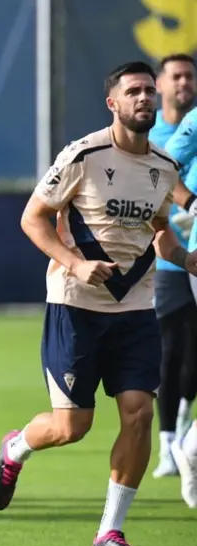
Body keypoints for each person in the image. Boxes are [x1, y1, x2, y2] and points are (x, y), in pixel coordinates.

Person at [0, 61, 197, 546]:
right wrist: (74, 264)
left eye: (148, 90)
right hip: (76, 307)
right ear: (113, 103)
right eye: (134, 91)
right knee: (71, 427)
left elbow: (158, 230)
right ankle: (14, 448)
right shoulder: (82, 154)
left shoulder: (163, 167)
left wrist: (185, 257)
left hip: (135, 308)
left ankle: (109, 534)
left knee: (139, 412)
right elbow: (32, 218)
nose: (144, 98)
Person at [147, 53, 197, 479]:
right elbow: (152, 178)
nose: (183, 83)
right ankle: (168, 445)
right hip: (169, 259)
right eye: (175, 76)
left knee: (192, 357)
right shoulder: (156, 134)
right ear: (160, 84)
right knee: (168, 349)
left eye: (189, 76)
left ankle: (186, 438)